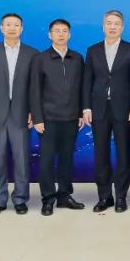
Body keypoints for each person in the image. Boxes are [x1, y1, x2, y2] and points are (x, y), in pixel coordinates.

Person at [0, 13, 38, 217]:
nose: (12, 28)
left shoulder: (32, 53)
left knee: (22, 159)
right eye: (8, 24)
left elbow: (35, 88)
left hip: (22, 113)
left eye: (16, 25)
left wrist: (34, 111)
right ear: (1, 28)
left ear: (22, 28)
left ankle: (20, 198)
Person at [82, 10, 130, 213]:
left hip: (123, 108)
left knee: (123, 153)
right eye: (109, 23)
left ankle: (121, 197)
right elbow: (87, 81)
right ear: (103, 26)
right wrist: (86, 107)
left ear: (122, 27)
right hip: (99, 108)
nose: (112, 26)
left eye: (116, 23)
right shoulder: (93, 50)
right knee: (101, 154)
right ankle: (104, 196)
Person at [29, 18, 86, 216]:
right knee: (46, 160)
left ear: (69, 34)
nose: (61, 34)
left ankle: (64, 196)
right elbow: (34, 90)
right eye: (57, 31)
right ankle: (48, 199)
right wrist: (37, 118)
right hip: (48, 119)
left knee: (66, 159)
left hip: (71, 118)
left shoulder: (77, 58)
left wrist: (80, 112)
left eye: (64, 31)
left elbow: (82, 88)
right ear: (49, 35)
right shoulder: (40, 58)